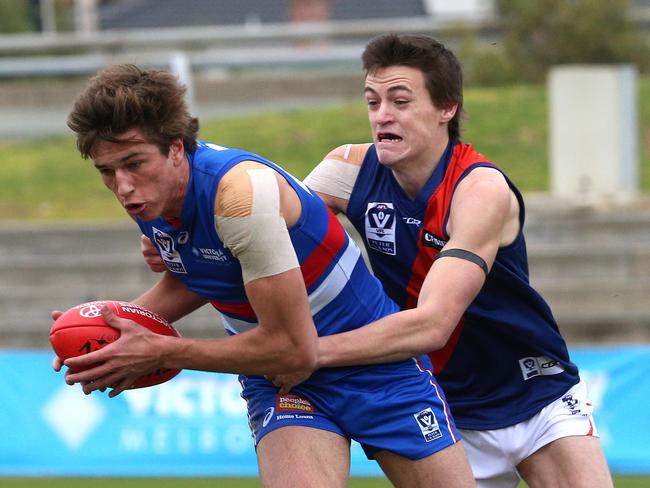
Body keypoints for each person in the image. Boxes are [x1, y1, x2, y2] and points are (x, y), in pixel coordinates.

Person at [147, 34, 617, 487]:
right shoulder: (349, 169)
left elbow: (433, 325)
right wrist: (177, 248)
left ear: (446, 108)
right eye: (373, 102)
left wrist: (303, 353)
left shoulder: (478, 190)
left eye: (400, 100)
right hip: (446, 405)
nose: (382, 115)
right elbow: (263, 248)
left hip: (534, 397)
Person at [55, 63, 475, 488]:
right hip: (281, 381)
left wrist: (161, 352)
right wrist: (108, 335)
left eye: (133, 163)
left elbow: (292, 349)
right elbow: (198, 274)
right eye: (107, 171)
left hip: (372, 362)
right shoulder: (153, 196)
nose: (123, 186)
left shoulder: (238, 196)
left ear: (177, 149)